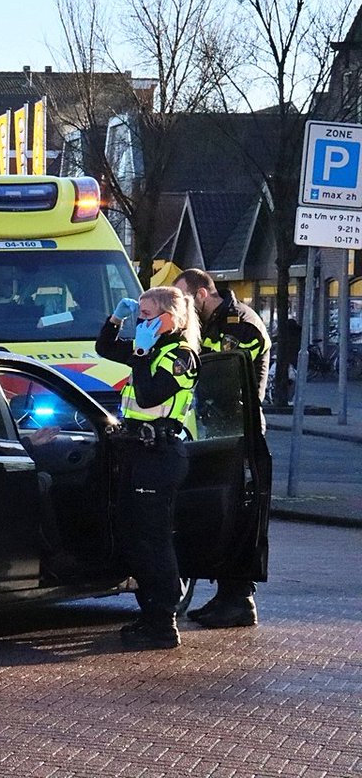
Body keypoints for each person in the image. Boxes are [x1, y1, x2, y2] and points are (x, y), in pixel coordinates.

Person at [97, 286, 201, 649]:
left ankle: (164, 622)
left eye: (146, 314)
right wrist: (116, 319)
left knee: (155, 540)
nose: (140, 320)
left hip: (161, 455)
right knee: (134, 535)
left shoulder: (181, 356)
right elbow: (105, 349)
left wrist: (141, 351)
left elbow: (148, 394)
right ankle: (149, 611)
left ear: (169, 319)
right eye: (138, 314)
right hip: (138, 453)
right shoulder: (151, 349)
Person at [174, 267, 269, 629]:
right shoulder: (210, 323)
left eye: (184, 300)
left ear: (200, 294)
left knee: (240, 513)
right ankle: (225, 596)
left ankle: (239, 599)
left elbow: (218, 370)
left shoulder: (240, 322)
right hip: (218, 431)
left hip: (240, 431)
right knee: (219, 514)